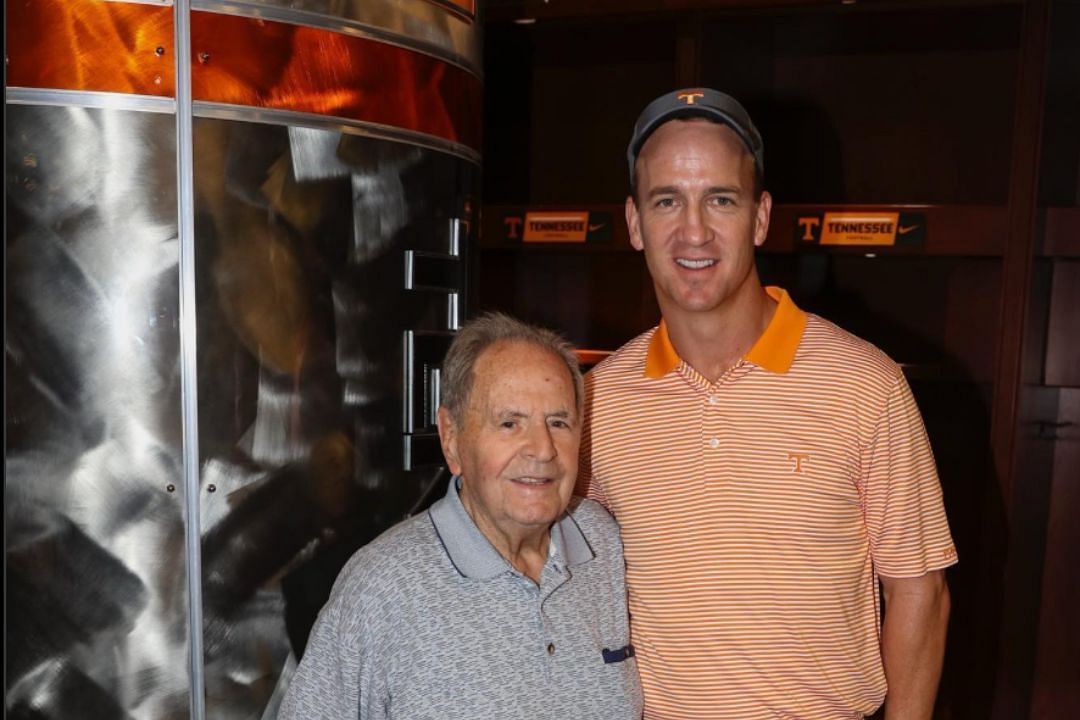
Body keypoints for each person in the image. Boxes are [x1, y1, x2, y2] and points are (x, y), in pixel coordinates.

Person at [578, 88, 956, 719]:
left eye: (720, 199)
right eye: (666, 200)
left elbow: (920, 590)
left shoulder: (866, 383)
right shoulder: (598, 400)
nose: (693, 230)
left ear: (759, 217)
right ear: (634, 223)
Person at [280, 313, 643, 720]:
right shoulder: (382, 588)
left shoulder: (604, 544)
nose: (542, 449)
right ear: (451, 438)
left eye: (558, 422)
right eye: (509, 423)